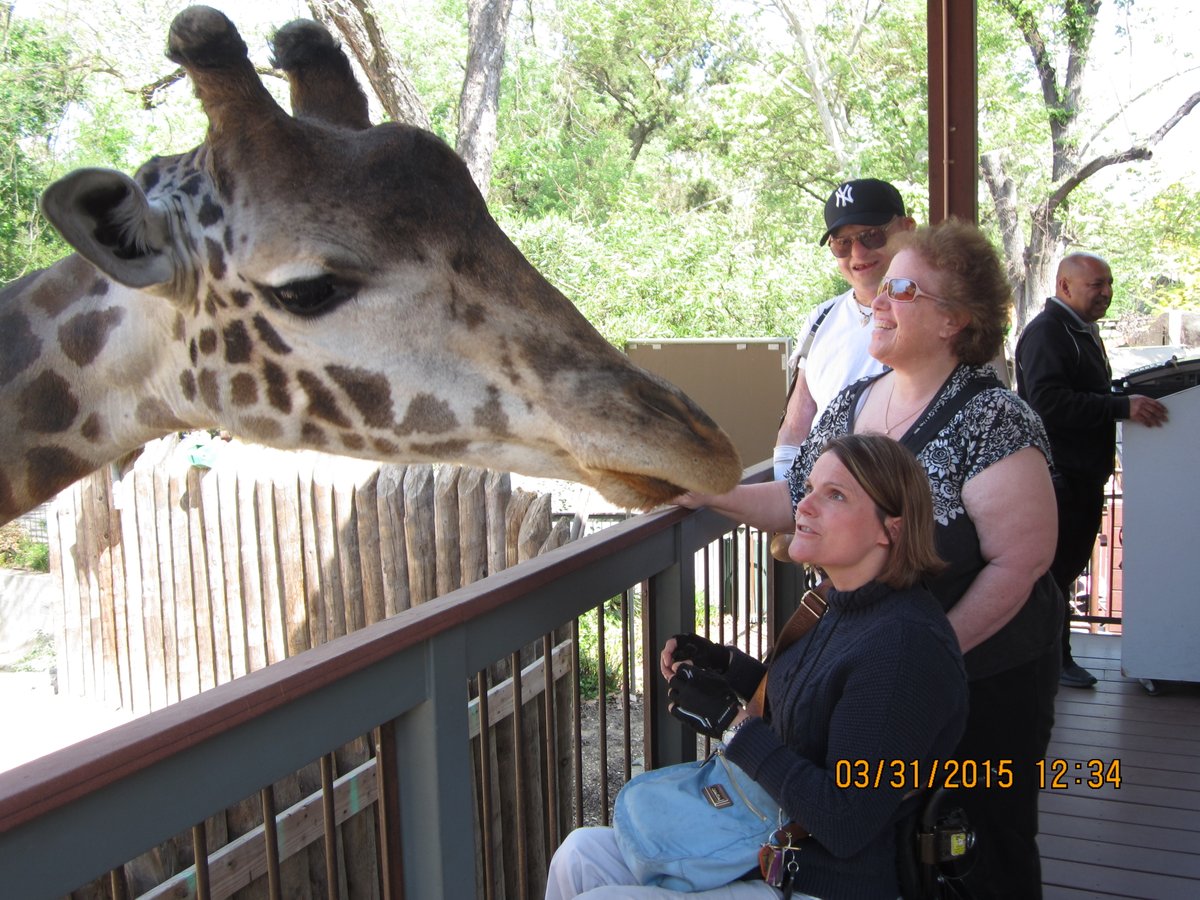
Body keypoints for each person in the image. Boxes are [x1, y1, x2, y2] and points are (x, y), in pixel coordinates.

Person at [677, 218, 1062, 900]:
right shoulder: (853, 402)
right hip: (879, 666)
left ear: (953, 322)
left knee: (980, 838)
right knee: (892, 841)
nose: (877, 301)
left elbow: (1020, 563)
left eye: (902, 289)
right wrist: (707, 493)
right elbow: (798, 501)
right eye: (881, 288)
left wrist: (928, 653)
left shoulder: (994, 419)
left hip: (987, 676)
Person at [544, 434, 968, 900]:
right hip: (762, 841)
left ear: (891, 529)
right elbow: (810, 705)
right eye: (809, 488)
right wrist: (724, 664)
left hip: (822, 880)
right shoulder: (839, 601)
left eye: (836, 496)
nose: (804, 506)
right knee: (578, 854)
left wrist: (733, 724)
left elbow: (846, 821)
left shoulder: (903, 648)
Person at [1015, 252, 1168, 687]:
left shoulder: (1079, 330)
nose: (1106, 293)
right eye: (1096, 285)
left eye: (1109, 283)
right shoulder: (1048, 332)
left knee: (1063, 571)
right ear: (1064, 287)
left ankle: (1052, 659)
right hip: (1060, 475)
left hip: (1082, 472)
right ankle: (1049, 662)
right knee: (1055, 572)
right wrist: (1122, 406)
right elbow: (1047, 402)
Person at [774, 179, 916, 480]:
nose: (859, 253)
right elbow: (796, 427)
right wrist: (789, 504)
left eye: (872, 236)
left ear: (907, 229)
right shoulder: (821, 318)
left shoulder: (938, 313)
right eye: (843, 243)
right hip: (826, 507)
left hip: (903, 502)